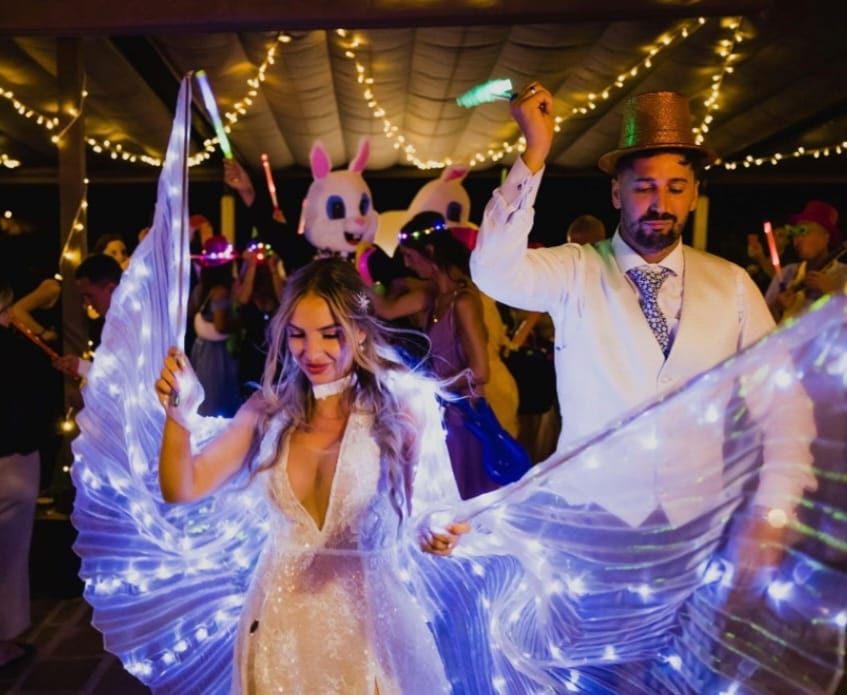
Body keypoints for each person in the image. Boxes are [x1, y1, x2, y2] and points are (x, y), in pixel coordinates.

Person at [470, 84, 816, 573]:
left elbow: (783, 408)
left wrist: (772, 512)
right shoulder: (575, 270)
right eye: (644, 186)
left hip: (702, 532)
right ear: (616, 192)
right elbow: (492, 271)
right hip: (589, 529)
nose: (661, 203)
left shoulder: (733, 284)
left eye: (676, 187)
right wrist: (535, 154)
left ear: (694, 195)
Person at [155, 258, 469, 692]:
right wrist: (179, 414)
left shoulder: (404, 406)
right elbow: (181, 487)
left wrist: (434, 529)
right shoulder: (268, 411)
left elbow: (434, 507)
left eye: (330, 333)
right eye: (298, 335)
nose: (312, 352)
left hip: (370, 631)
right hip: (279, 630)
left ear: (360, 329)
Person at [372, 211, 519, 498]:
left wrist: (429, 387)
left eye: (409, 256)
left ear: (429, 251)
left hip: (465, 415)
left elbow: (479, 372)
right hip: (442, 412)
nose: (406, 264)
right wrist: (359, 284)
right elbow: (385, 309)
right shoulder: (432, 295)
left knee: (467, 495)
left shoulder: (463, 301)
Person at [0, 278, 39, 670]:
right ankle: (3, 643)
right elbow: (34, 400)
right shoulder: (14, 348)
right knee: (9, 557)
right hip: (12, 456)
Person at [764, 200, 847, 323]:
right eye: (795, 233)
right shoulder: (787, 273)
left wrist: (834, 293)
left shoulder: (843, 275)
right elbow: (762, 322)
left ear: (826, 236)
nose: (797, 240)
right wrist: (777, 307)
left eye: (803, 231)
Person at [188, 234, 241, 417]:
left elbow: (189, 311)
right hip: (217, 354)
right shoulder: (220, 292)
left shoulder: (201, 288)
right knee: (216, 398)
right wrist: (240, 323)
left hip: (200, 348)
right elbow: (220, 326)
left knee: (202, 394)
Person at [52, 253, 123, 380]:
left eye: (89, 295)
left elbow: (125, 380)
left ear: (111, 290)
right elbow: (114, 375)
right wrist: (80, 367)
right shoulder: (113, 326)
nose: (87, 303)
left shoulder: (139, 323)